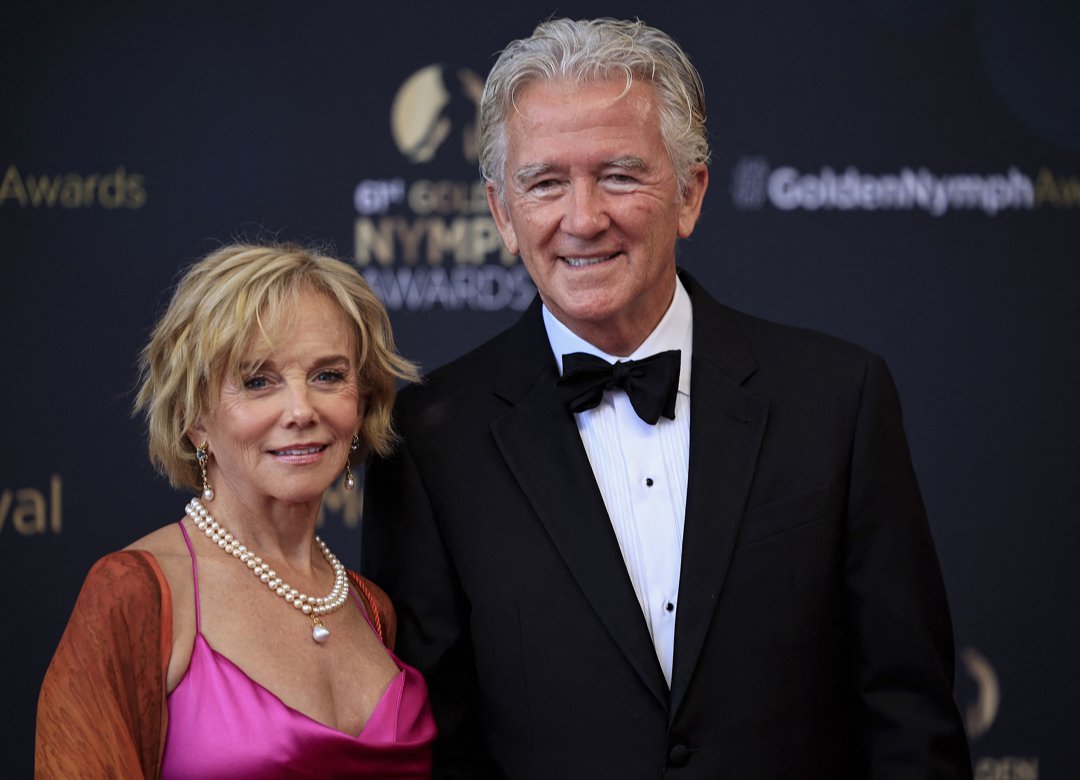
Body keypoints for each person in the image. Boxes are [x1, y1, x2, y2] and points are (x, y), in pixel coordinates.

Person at [362, 17, 972, 779]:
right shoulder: (427, 439)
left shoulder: (837, 399)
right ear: (501, 213)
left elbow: (909, 720)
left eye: (619, 174)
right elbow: (436, 748)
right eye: (546, 182)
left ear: (690, 193)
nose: (583, 219)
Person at [36, 242, 435, 778]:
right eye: (257, 381)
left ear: (360, 403)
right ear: (195, 417)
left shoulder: (371, 608)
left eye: (328, 376)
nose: (300, 410)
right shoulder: (136, 594)